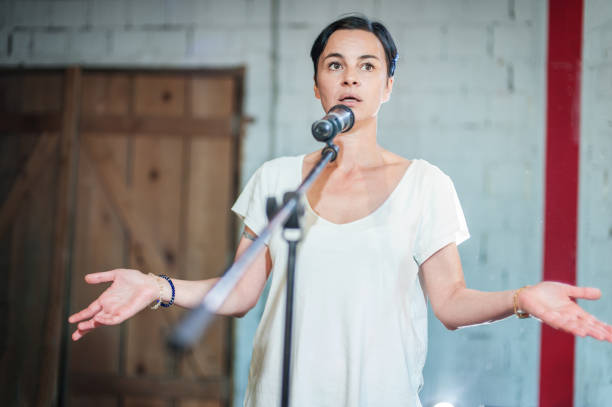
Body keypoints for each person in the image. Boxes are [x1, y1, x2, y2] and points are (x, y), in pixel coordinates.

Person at [69, 15, 612, 407]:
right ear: (317, 86)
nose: (350, 76)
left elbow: (449, 302)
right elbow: (239, 293)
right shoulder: (279, 178)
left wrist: (523, 299)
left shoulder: (426, 184)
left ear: (387, 87)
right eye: (336, 64)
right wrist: (155, 285)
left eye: (367, 66)